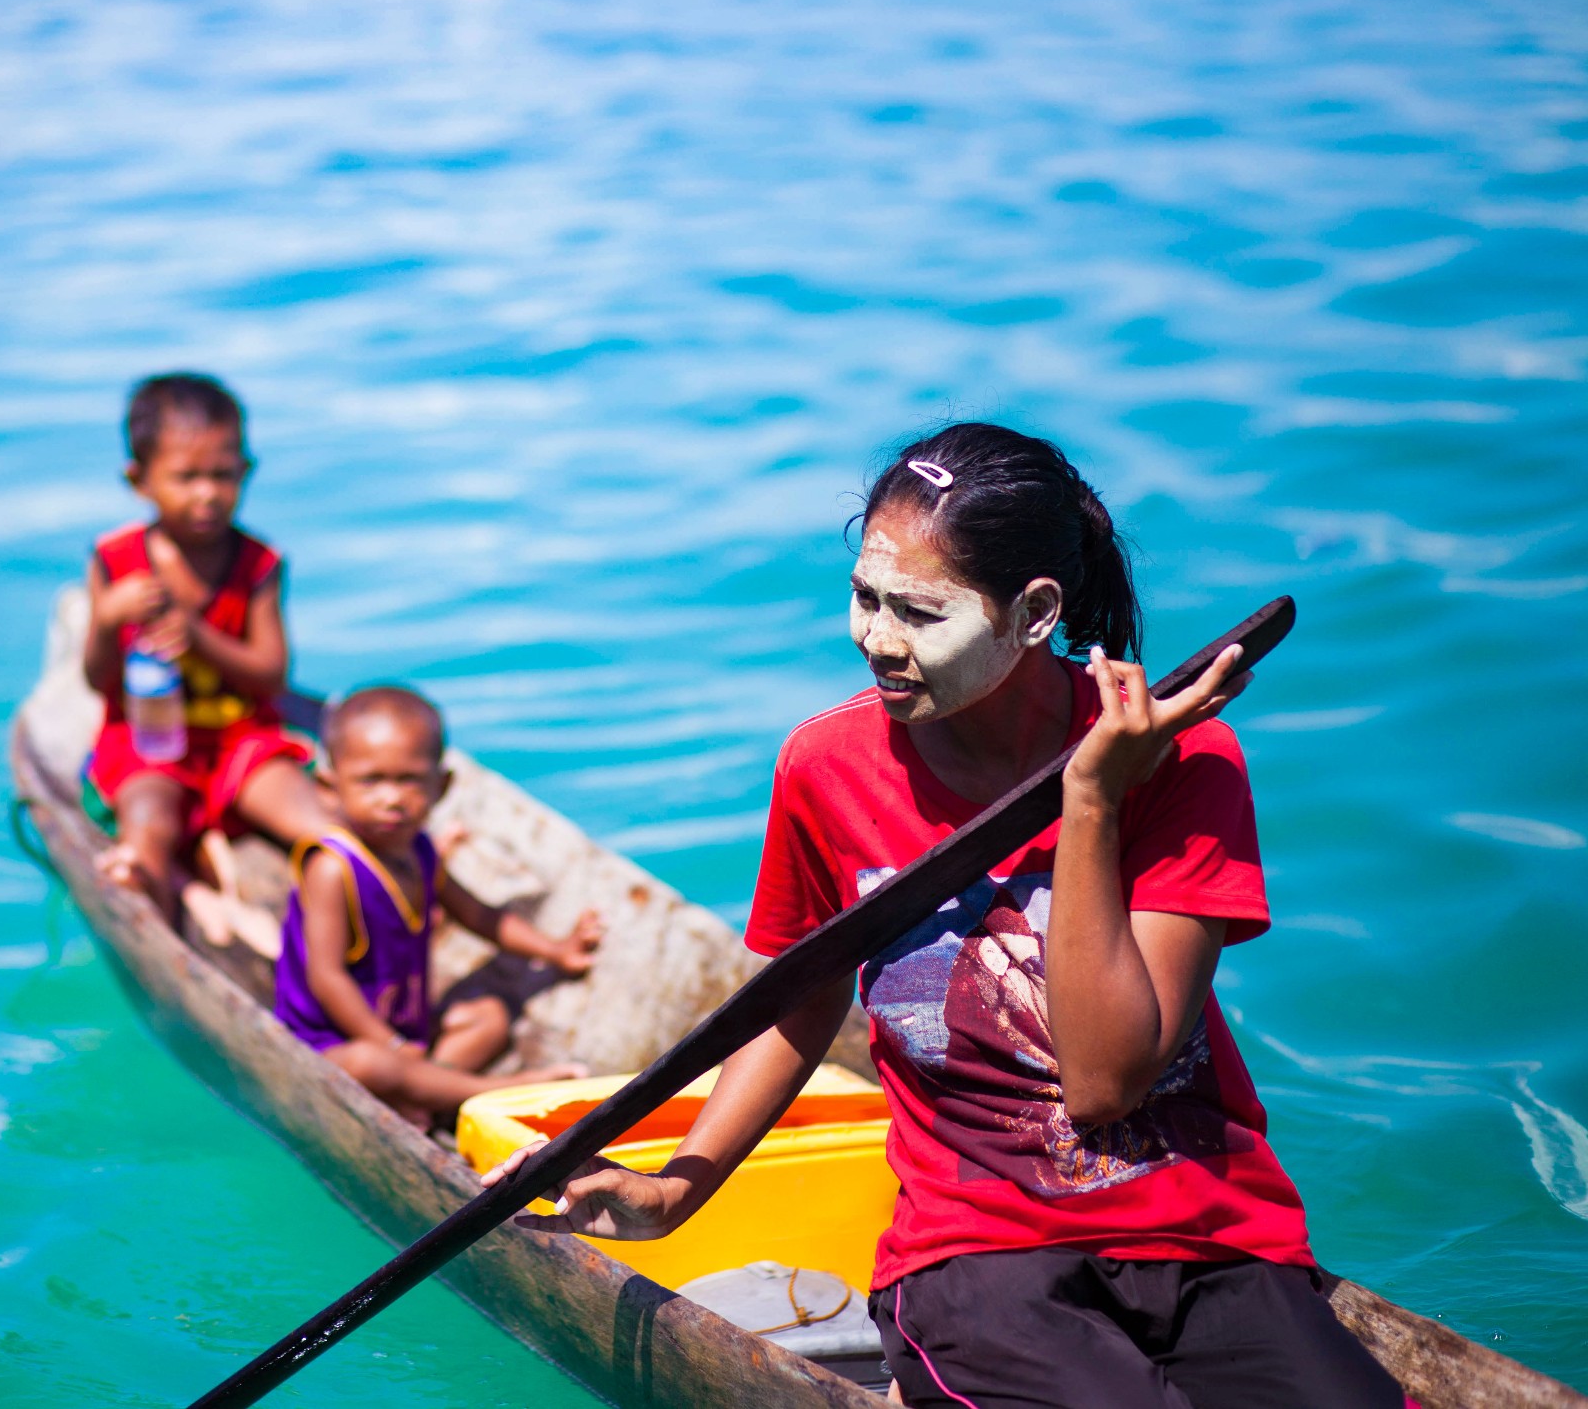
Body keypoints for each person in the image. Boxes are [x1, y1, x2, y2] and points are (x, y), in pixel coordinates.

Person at [485, 425, 1404, 1408]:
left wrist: (1090, 798)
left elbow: (1103, 1081)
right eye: (863, 596)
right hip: (977, 1251)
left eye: (918, 612)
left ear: (1033, 613)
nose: (875, 637)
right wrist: (677, 1187)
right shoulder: (825, 766)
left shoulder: (1181, 760)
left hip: (1205, 1233)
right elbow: (799, 998)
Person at [274, 686, 604, 1124]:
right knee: (374, 1066)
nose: (392, 798)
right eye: (371, 781)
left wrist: (555, 950)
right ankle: (490, 1092)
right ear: (329, 787)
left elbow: (479, 915)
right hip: (333, 1044)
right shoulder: (333, 868)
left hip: (404, 1033)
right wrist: (388, 1045)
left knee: (488, 1019)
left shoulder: (420, 850)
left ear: (441, 786)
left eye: (409, 780)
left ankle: (425, 1093)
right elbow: (327, 977)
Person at [82, 373, 329, 931]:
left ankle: (357, 922)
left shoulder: (258, 564)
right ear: (139, 480)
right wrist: (104, 620)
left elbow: (270, 677)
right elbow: (100, 683)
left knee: (319, 828)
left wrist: (198, 636)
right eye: (186, 477)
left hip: (240, 738)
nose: (207, 494)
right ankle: (164, 903)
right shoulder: (115, 561)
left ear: (247, 472)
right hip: (150, 743)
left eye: (223, 475)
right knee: (147, 827)